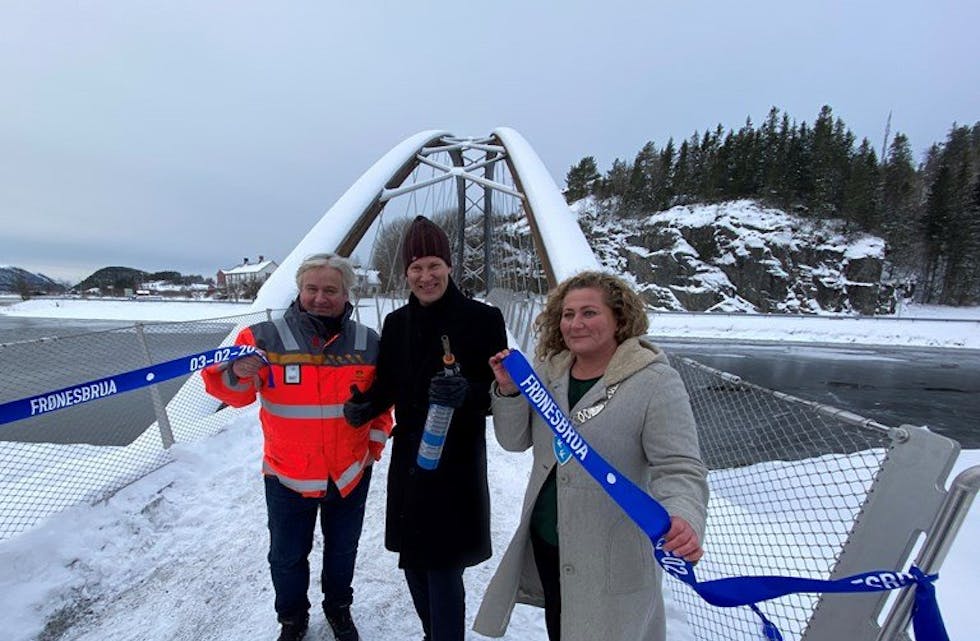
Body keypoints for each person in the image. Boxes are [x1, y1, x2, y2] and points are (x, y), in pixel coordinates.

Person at [473, 270, 709, 641]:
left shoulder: (655, 381)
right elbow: (515, 441)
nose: (575, 324)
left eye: (589, 313)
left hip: (611, 553)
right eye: (568, 314)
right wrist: (509, 391)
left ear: (619, 319)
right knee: (561, 629)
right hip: (550, 542)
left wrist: (684, 515)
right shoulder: (549, 373)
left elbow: (679, 466)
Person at [201, 253, 392, 641]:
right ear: (300, 290)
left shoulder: (368, 341)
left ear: (346, 294)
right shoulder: (260, 338)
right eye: (312, 289)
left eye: (331, 290)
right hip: (288, 473)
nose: (321, 298)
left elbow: (382, 403)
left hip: (348, 473)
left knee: (342, 552)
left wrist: (373, 447)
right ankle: (292, 619)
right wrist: (236, 373)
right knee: (287, 557)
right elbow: (231, 394)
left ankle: (338, 608)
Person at [343, 215, 507, 641]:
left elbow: (498, 393)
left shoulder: (484, 319)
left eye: (433, 265)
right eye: (415, 268)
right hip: (410, 457)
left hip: (456, 461)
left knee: (443, 564)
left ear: (449, 266)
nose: (425, 276)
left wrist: (467, 392)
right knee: (414, 560)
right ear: (406, 274)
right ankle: (432, 633)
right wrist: (366, 405)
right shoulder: (397, 324)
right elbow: (391, 385)